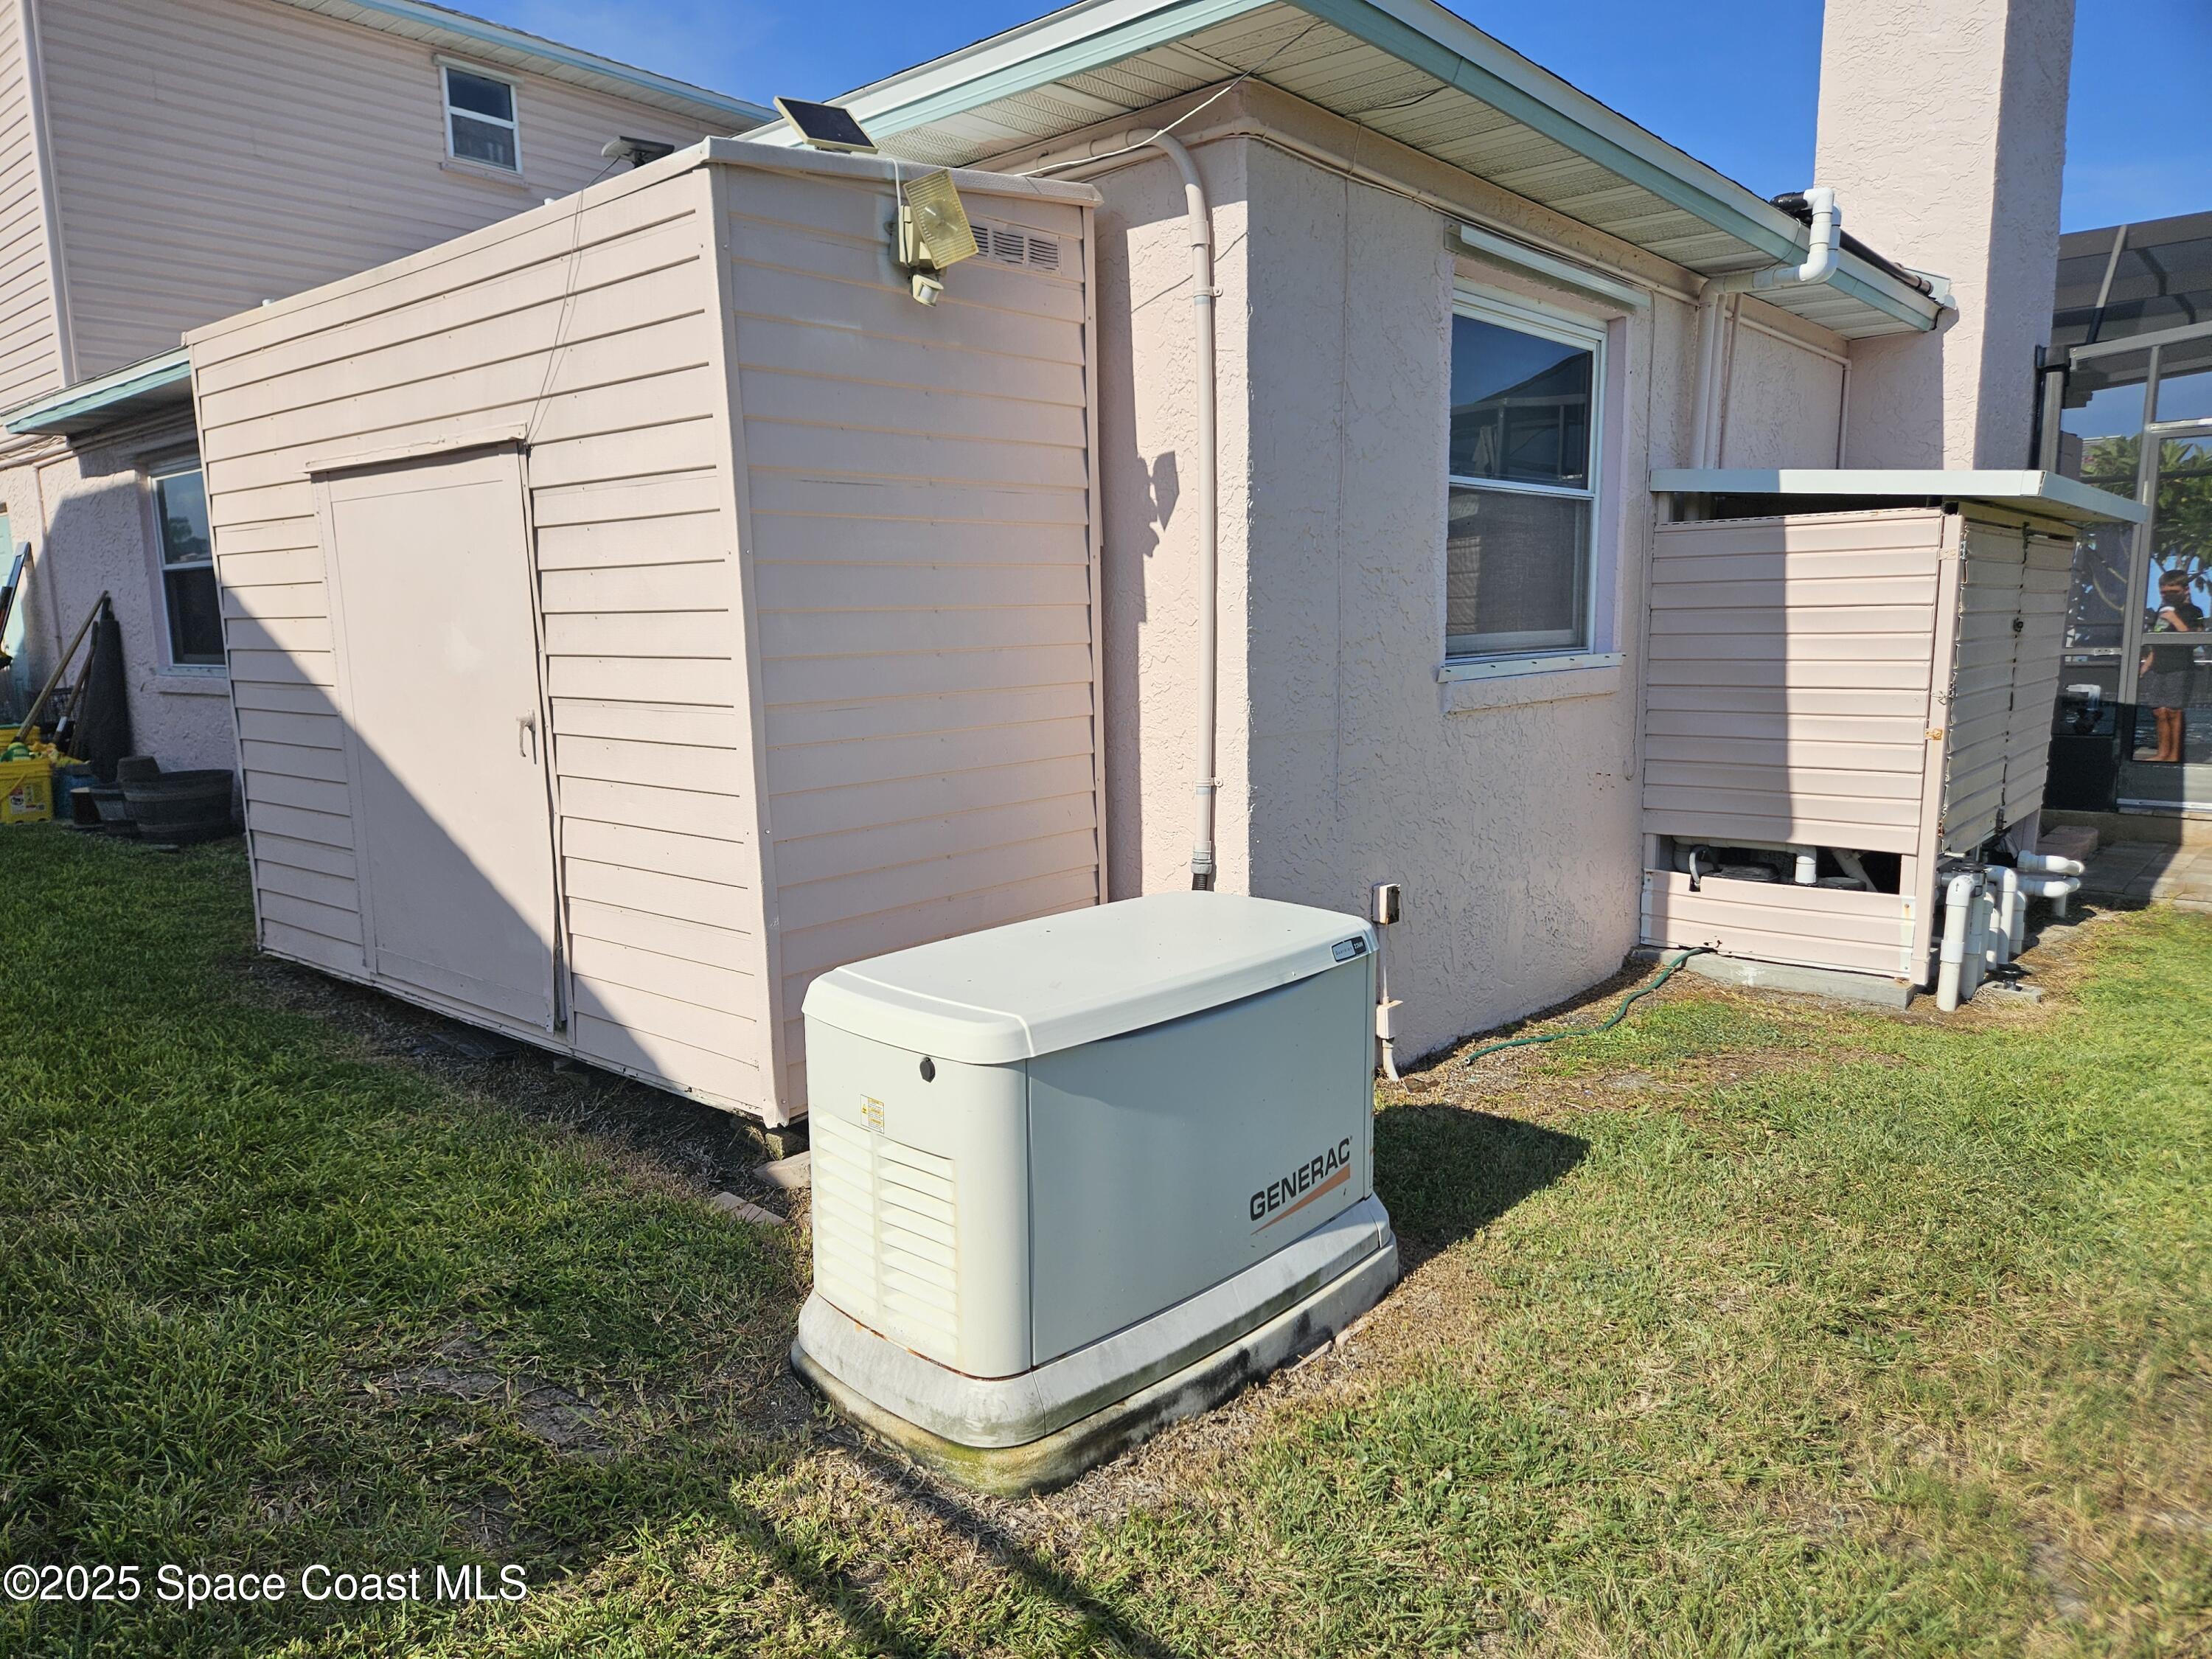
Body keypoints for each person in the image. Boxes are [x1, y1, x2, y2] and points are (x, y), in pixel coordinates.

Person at [2140, 569, 2205, 764]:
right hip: (2159, 667)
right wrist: (2146, 666)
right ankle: (2162, 752)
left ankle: (2175, 755)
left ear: (2185, 590)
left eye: (2173, 591)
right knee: (2159, 711)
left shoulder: (2195, 612)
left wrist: (2175, 620)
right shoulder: (2161, 612)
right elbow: (2156, 643)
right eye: (2163, 592)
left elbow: (2195, 640)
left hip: (2180, 668)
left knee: (2174, 711)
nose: (2167, 596)